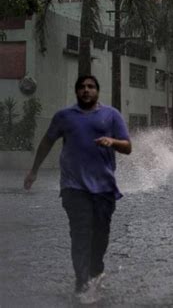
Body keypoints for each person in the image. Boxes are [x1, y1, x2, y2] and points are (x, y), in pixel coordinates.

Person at [23, 75, 132, 304]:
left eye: (90, 87)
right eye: (82, 87)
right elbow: (46, 142)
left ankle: (95, 271)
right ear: (76, 92)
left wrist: (112, 142)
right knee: (80, 235)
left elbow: (128, 147)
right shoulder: (64, 117)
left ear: (97, 91)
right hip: (74, 188)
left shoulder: (111, 115)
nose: (86, 90)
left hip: (104, 189)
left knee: (100, 238)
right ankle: (82, 283)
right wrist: (34, 171)